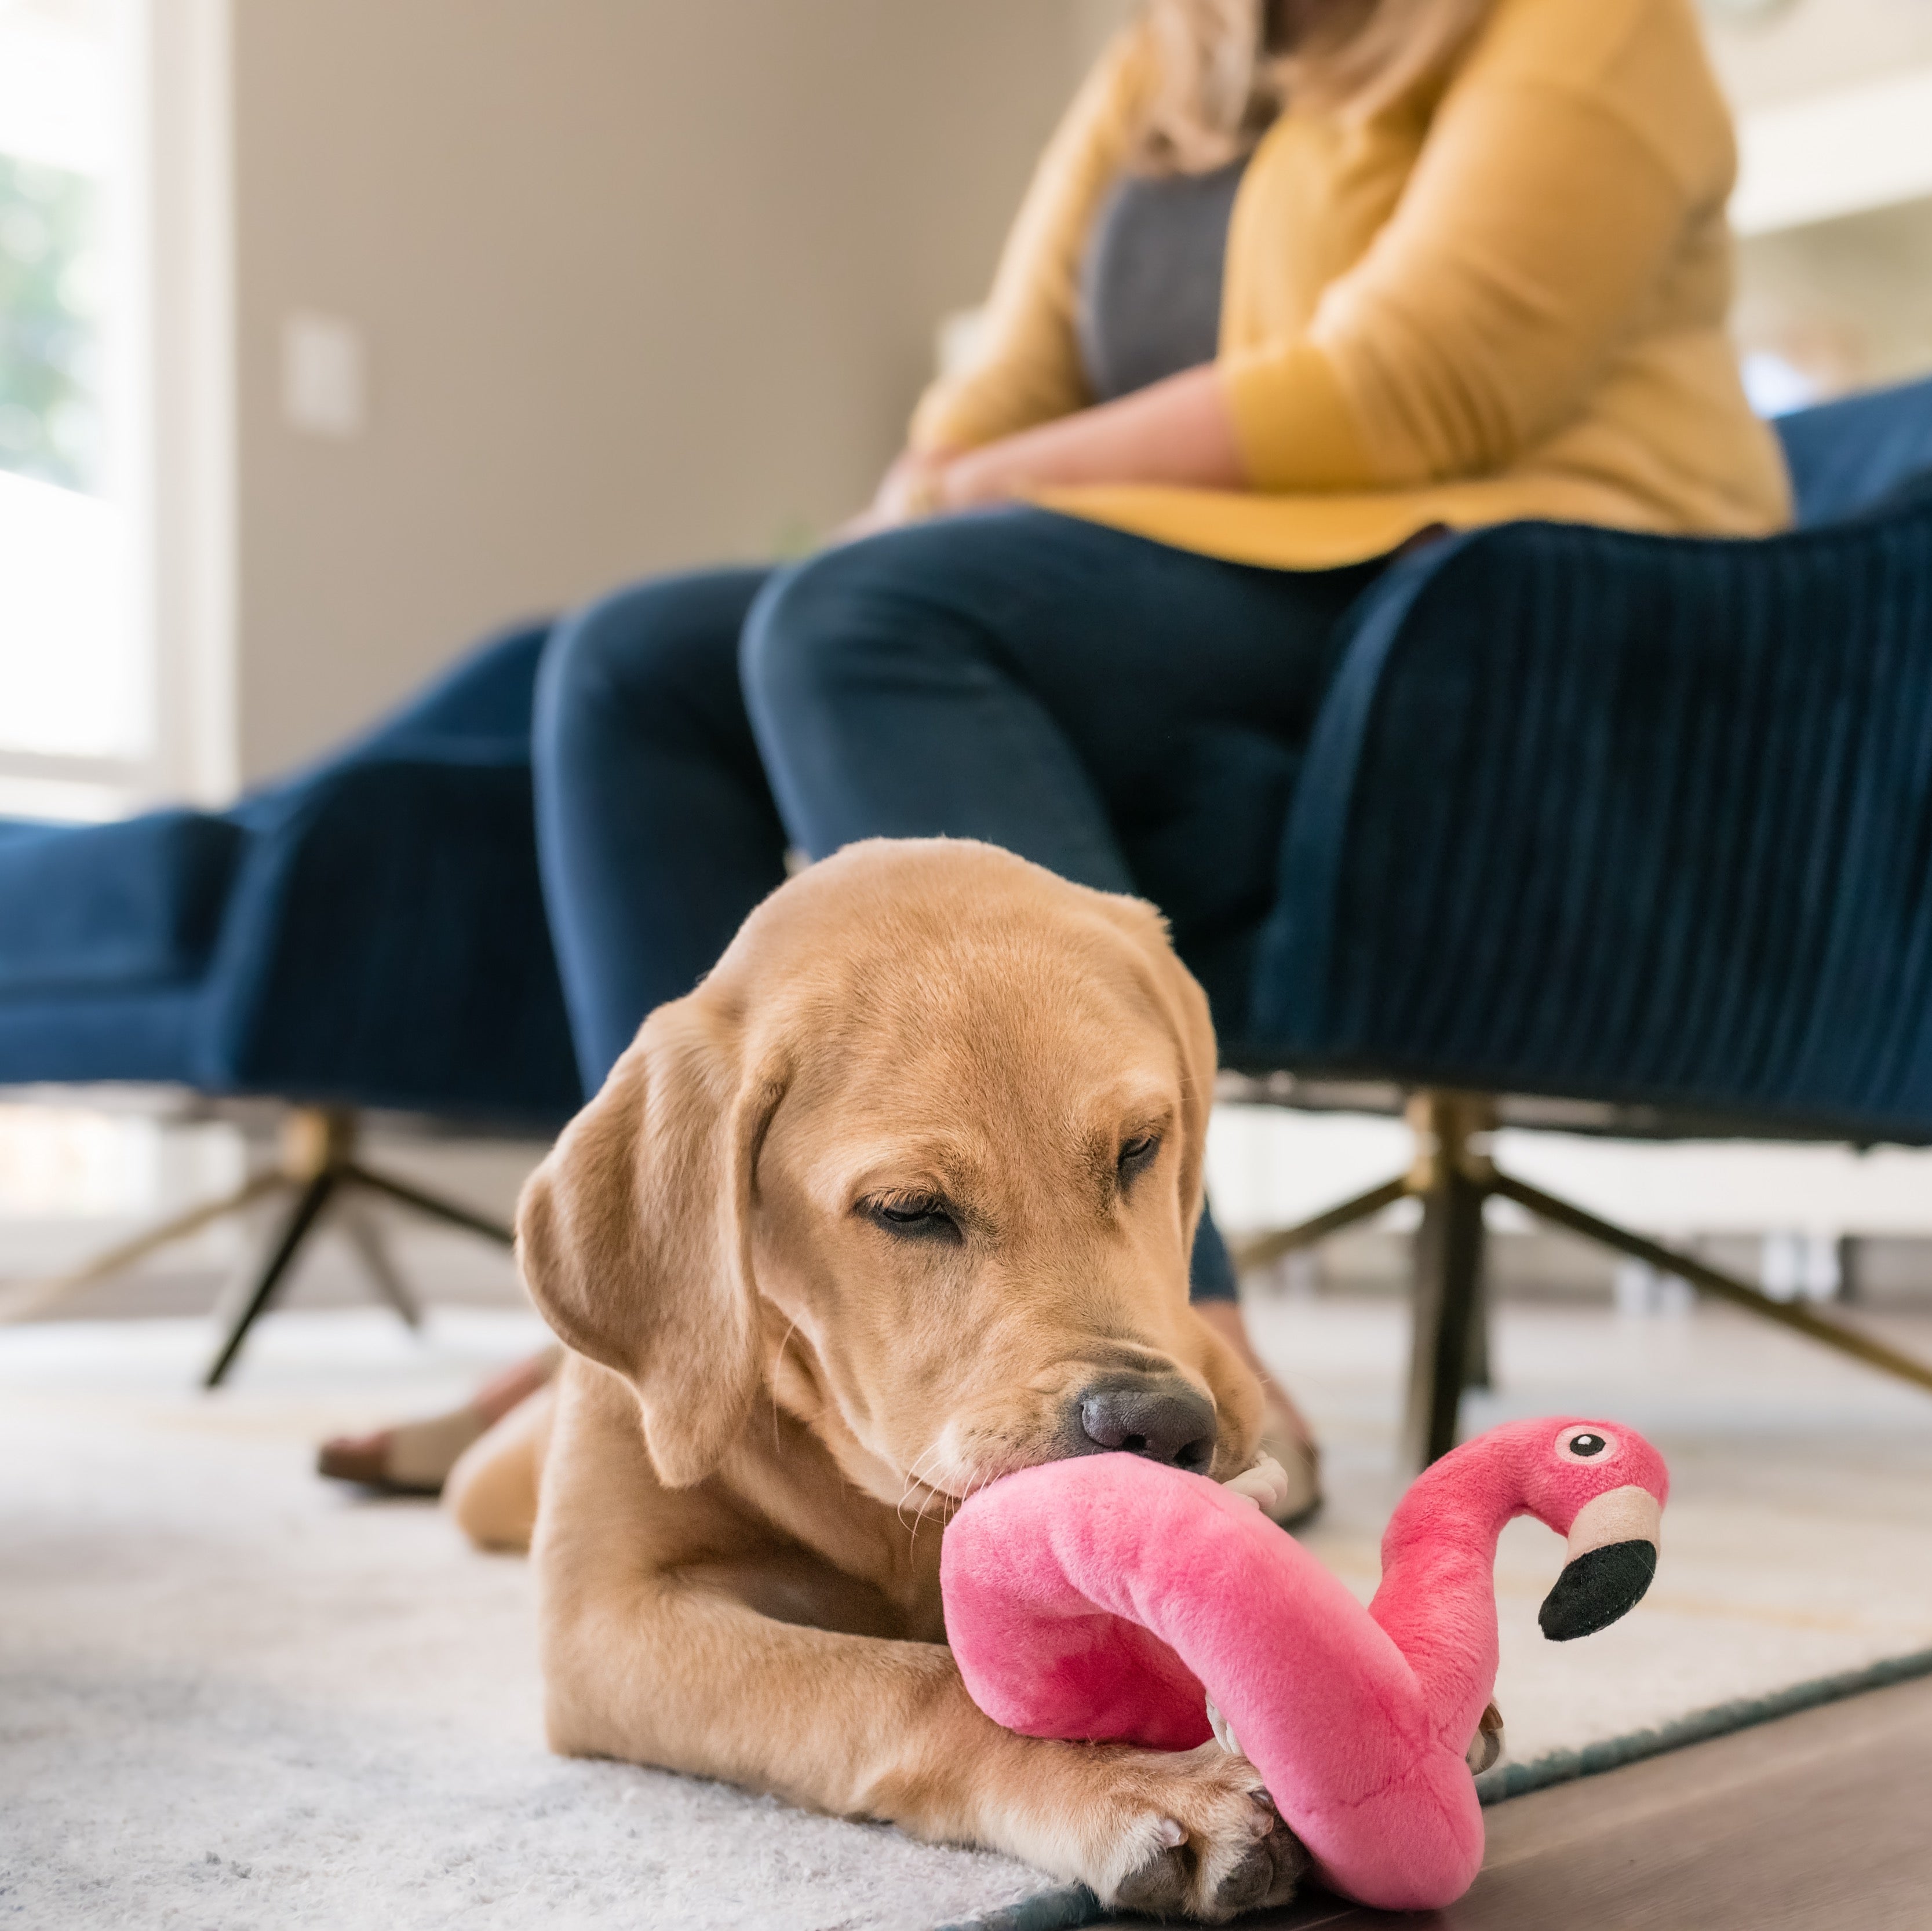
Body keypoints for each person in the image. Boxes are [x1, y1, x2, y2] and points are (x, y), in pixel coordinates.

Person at [318, 0, 1790, 1517]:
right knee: (639, 664)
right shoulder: (1170, 69)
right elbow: (1001, 389)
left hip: (1506, 603)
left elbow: (1418, 380)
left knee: (860, 628)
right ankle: (669, 1343)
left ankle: (1182, 1345)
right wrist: (908, 510)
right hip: (1236, 570)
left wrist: (974, 493)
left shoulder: (1593, 22)